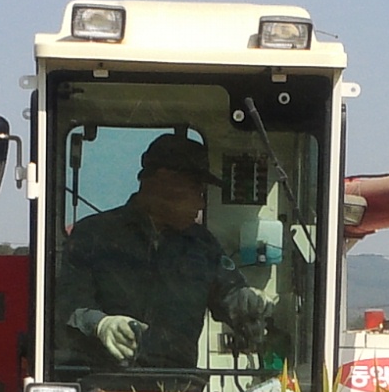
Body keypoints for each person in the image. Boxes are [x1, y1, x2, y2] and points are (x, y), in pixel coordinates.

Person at [54, 133, 273, 373]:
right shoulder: (93, 235)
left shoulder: (203, 245)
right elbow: (68, 302)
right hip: (101, 385)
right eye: (197, 192)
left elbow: (228, 294)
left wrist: (246, 302)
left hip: (177, 389)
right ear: (164, 181)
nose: (201, 204)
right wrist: (100, 324)